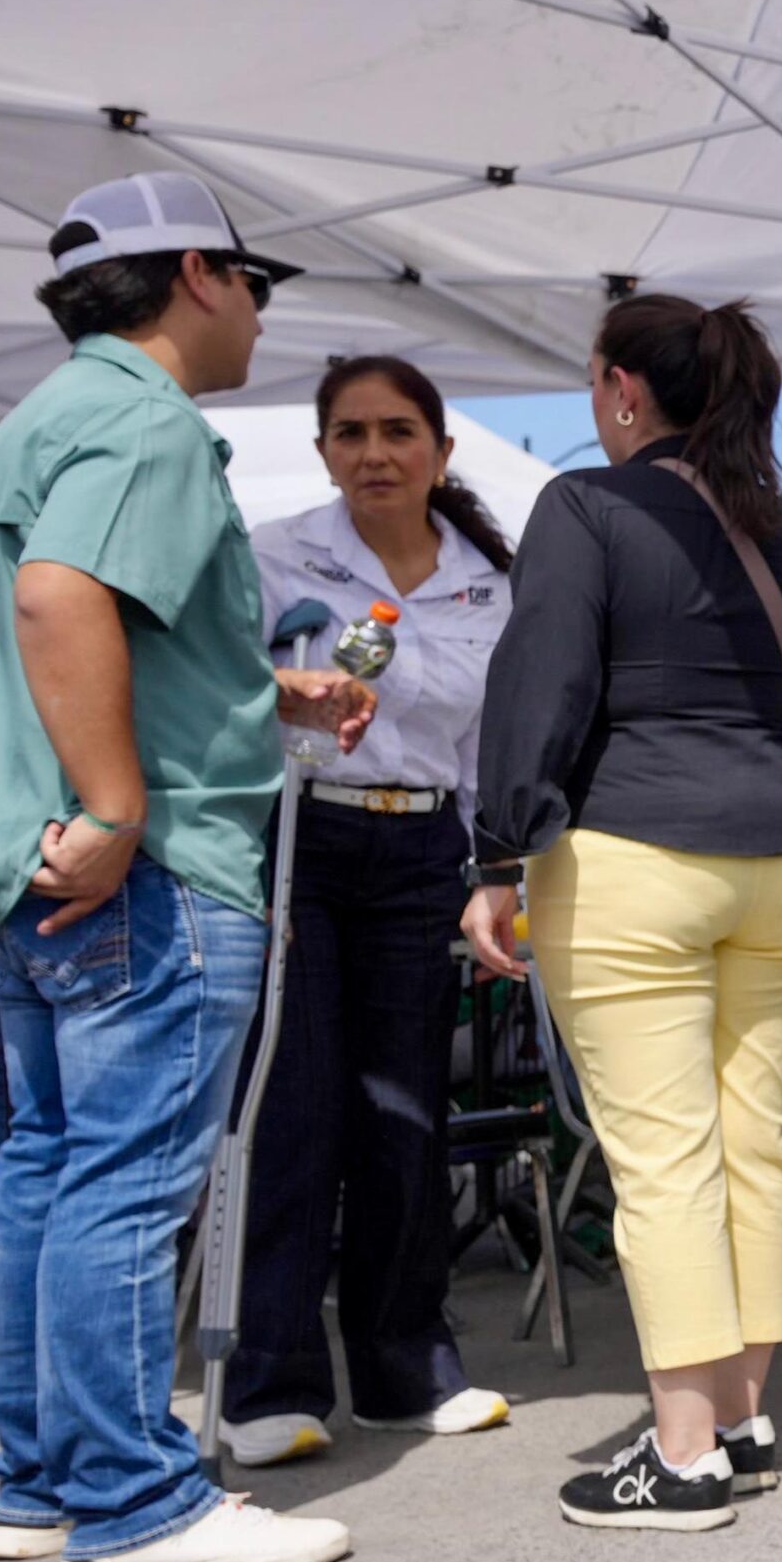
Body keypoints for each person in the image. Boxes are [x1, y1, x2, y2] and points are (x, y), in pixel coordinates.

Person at [0, 171, 372, 1562]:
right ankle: (135, 1506)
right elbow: (60, 597)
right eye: (253, 282)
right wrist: (122, 802)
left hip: (26, 860)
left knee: (45, 1164)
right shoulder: (148, 421)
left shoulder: (35, 420)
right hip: (141, 864)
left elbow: (54, 615)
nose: (259, 312)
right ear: (200, 273)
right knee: (127, 1180)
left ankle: (41, 1483)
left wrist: (260, 693)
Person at [463, 294, 782, 1532]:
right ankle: (740, 1415)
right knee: (752, 1135)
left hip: (633, 852)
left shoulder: (585, 507)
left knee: (662, 1155)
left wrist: (500, 852)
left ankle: (682, 1453)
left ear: (623, 391)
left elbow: (541, 679)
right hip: (781, 854)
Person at [217, 359, 517, 1468]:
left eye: (398, 431)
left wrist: (495, 873)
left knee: (406, 1116)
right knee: (295, 1115)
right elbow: (215, 699)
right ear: (323, 452)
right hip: (301, 841)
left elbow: (488, 750)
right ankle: (270, 1385)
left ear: (441, 451)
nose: (375, 453)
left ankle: (405, 1370)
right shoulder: (273, 555)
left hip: (423, 851)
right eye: (350, 433)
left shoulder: (492, 583)